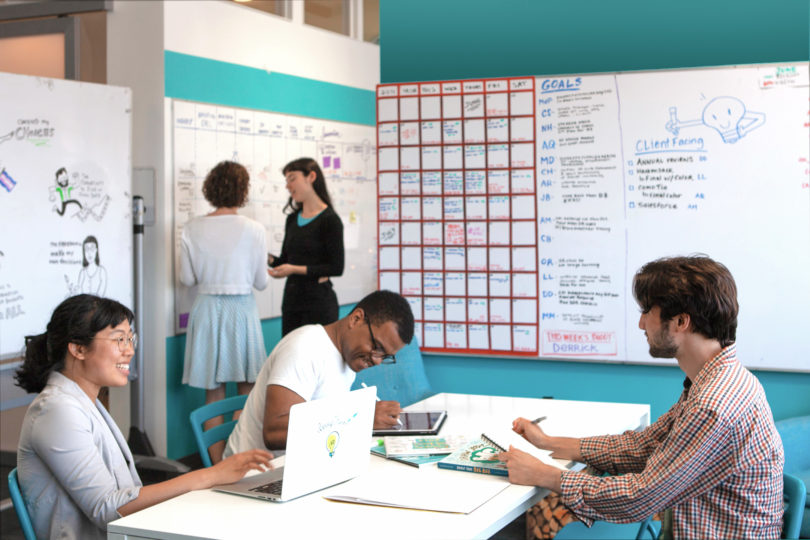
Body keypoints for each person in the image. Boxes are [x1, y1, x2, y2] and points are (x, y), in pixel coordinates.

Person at [499, 255, 784, 539]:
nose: (640, 324)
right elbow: (644, 446)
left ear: (681, 321)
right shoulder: (718, 378)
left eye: (647, 311)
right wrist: (548, 442)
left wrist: (543, 475)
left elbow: (640, 497)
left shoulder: (712, 404)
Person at [15, 294, 272, 540]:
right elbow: (107, 509)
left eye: (130, 339)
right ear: (78, 349)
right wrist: (210, 475)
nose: (129, 351)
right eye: (119, 340)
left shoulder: (82, 401)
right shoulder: (56, 409)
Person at [224, 290, 413, 457]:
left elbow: (326, 422)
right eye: (377, 347)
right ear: (356, 319)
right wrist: (360, 417)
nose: (377, 360)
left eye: (385, 356)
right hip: (253, 476)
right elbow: (274, 434)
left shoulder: (348, 359)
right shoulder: (304, 348)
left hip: (300, 465)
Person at [179, 160, 269, 463]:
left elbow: (187, 279)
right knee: (247, 391)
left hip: (206, 310)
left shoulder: (191, 227)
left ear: (210, 189)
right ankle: (243, 457)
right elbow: (261, 282)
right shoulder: (254, 230)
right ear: (243, 191)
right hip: (241, 309)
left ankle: (216, 464)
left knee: (213, 393)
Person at [268, 157, 344, 337]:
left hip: (319, 304)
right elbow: (285, 260)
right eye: (286, 180)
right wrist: (266, 257)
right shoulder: (292, 219)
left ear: (311, 176)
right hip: (292, 302)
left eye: (292, 178)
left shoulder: (330, 220)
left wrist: (293, 269)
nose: (288, 185)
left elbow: (336, 267)